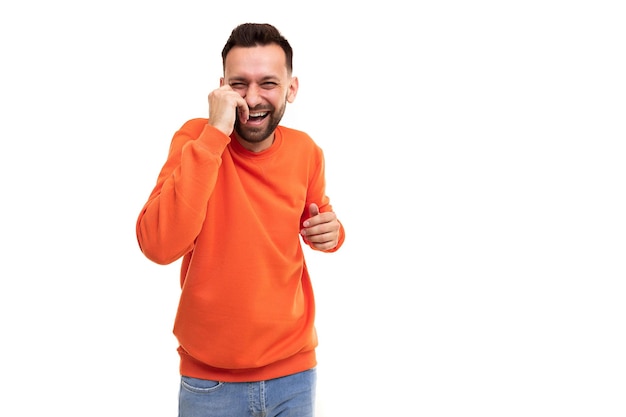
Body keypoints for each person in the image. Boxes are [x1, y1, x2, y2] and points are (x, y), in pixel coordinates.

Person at [135, 23, 345, 417]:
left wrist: (332, 233)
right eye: (238, 84)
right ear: (220, 88)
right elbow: (158, 245)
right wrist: (215, 131)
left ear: (291, 89)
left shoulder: (306, 151)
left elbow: (320, 218)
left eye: (268, 83)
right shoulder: (196, 139)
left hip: (294, 374)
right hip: (210, 383)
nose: (252, 98)